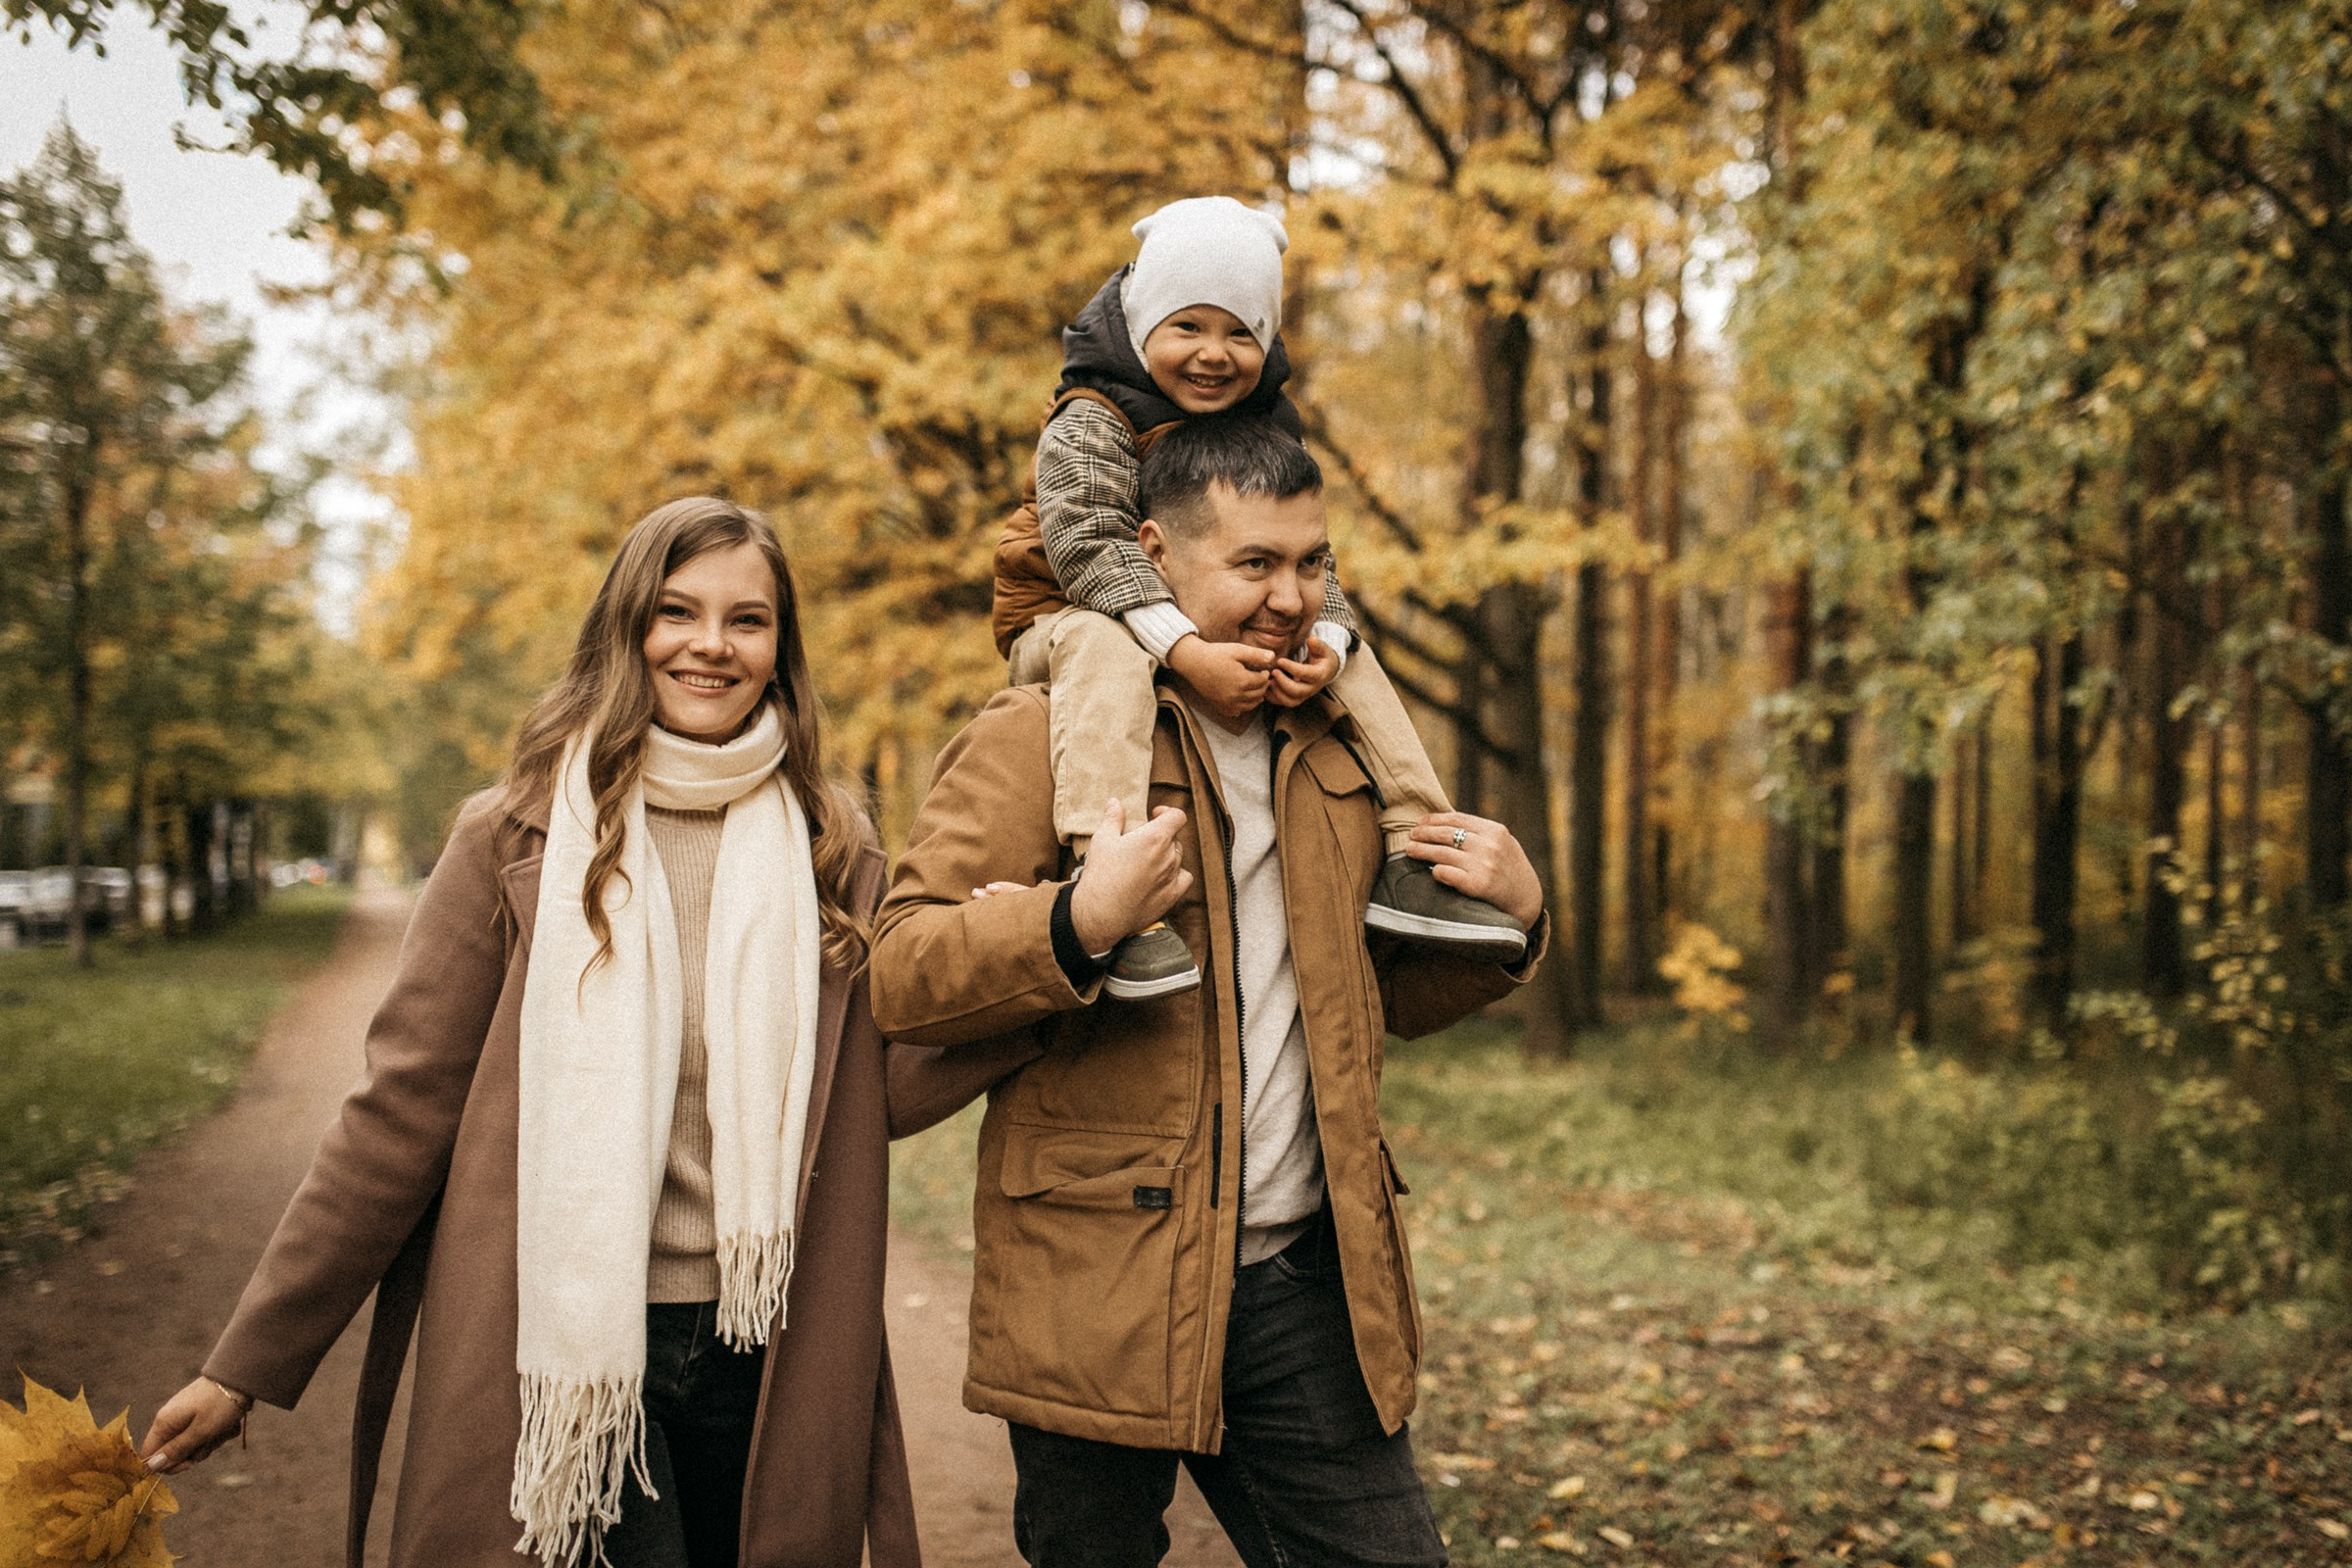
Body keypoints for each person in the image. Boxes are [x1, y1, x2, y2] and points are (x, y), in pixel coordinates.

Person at [139, 499, 921, 1568]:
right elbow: (397, 1117)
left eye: (748, 620)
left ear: (780, 650)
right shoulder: (513, 834)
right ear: (626, 627)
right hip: (565, 1339)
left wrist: (1068, 947)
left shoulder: (837, 847)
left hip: (763, 1342)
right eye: (677, 610)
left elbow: (881, 1085)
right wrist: (246, 1364)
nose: (710, 644)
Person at [874, 416, 1550, 1567]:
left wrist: (1519, 921)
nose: (1291, 598)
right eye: (1255, 564)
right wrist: (1076, 921)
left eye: (1310, 562)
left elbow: (1385, 994)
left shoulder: (1337, 746)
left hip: (1303, 1282)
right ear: (1155, 554)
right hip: (1095, 1281)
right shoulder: (1047, 730)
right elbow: (903, 969)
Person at [990, 195, 1527, 1000]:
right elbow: (1087, 547)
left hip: (1178, 623)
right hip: (1065, 615)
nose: (1214, 354)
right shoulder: (1090, 417)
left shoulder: (1268, 429)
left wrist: (1330, 646)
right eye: (1188, 328)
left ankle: (1417, 846)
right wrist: (1188, 651)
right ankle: (1107, 868)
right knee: (1102, 645)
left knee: (1349, 652)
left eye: (1241, 332)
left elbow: (1313, 556)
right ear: (1140, 326)